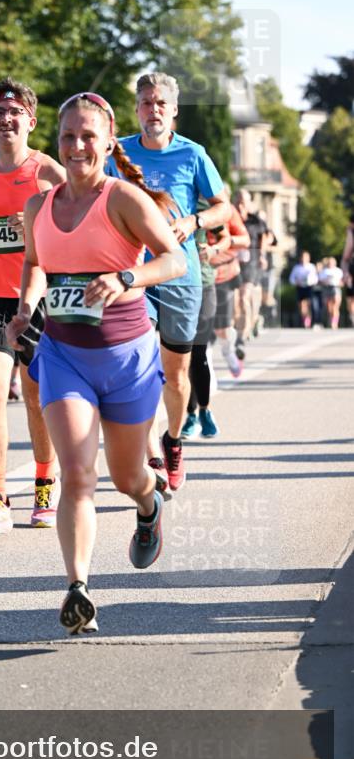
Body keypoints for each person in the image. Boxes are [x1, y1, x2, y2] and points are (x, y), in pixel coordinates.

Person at [7, 92, 185, 634]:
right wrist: (23, 311)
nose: (78, 145)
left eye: (88, 136)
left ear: (109, 142)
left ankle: (149, 505)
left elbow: (173, 260)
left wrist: (126, 278)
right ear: (56, 143)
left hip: (128, 358)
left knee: (127, 476)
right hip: (64, 357)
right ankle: (77, 588)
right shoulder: (40, 206)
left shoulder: (124, 198)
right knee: (77, 475)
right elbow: (35, 266)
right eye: (68, 136)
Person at [105, 72, 229, 492]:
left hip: (181, 275)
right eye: (145, 102)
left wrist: (194, 220)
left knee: (176, 375)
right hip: (134, 275)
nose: (152, 109)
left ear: (173, 111)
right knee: (138, 366)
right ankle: (149, 456)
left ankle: (173, 441)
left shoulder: (193, 155)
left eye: (160, 103)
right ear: (136, 108)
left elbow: (222, 208)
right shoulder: (117, 154)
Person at [0, 77, 65, 536]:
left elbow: (79, 214)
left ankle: (45, 481)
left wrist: (45, 229)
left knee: (37, 396)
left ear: (31, 122)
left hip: (36, 296)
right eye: (0, 112)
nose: (7, 119)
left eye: (15, 112)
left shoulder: (47, 171)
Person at [181, 219, 231, 439]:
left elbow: (226, 237)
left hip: (204, 285)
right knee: (182, 356)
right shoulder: (162, 199)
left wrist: (213, 249)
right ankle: (189, 415)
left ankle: (203, 411)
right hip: (175, 287)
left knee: (198, 353)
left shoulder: (204, 208)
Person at [212, 201, 250, 377]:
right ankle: (204, 365)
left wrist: (225, 241)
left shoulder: (227, 209)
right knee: (201, 327)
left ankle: (228, 352)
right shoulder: (185, 202)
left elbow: (245, 240)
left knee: (223, 327)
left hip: (224, 274)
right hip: (196, 276)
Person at [233, 188, 269, 352]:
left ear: (249, 203)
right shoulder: (230, 218)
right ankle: (241, 328)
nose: (241, 203)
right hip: (233, 264)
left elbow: (264, 238)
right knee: (234, 303)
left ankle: (241, 338)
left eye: (244, 201)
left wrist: (262, 256)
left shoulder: (256, 221)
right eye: (238, 200)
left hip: (251, 264)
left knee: (243, 297)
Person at [289, 251, 318, 328]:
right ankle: (305, 319)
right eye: (302, 257)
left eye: (305, 257)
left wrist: (309, 282)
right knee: (301, 306)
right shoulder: (296, 267)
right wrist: (296, 282)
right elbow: (291, 278)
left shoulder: (311, 267)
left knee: (307, 305)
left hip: (308, 288)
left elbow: (315, 278)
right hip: (300, 288)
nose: (304, 259)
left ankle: (308, 321)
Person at [318, 256, 344, 329]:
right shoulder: (324, 271)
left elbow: (342, 282)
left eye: (332, 262)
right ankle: (331, 319)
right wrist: (325, 281)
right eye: (329, 262)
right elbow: (320, 281)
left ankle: (334, 322)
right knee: (329, 307)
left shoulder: (338, 271)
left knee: (336, 306)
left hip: (335, 288)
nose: (330, 264)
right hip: (327, 288)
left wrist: (339, 283)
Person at [340, 217, 354, 327]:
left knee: (351, 296)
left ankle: (352, 315)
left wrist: (345, 271)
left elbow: (346, 255)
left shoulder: (351, 232)